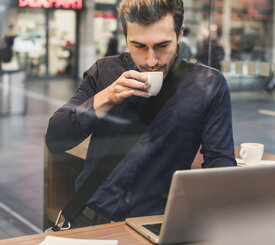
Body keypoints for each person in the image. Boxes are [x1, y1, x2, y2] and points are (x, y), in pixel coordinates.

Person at [46, 0, 236, 228]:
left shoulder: (208, 84)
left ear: (180, 34)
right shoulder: (105, 71)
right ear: (125, 38)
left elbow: (221, 165)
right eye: (139, 46)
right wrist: (106, 97)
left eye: (162, 45)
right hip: (89, 222)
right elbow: (55, 138)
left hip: (156, 227)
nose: (151, 61)